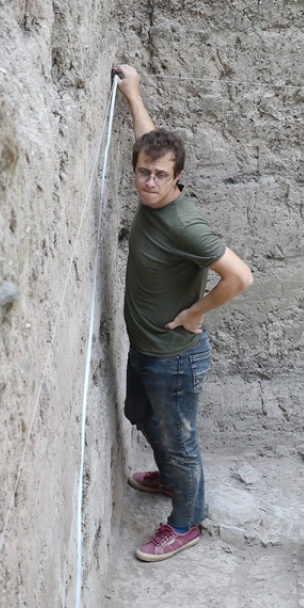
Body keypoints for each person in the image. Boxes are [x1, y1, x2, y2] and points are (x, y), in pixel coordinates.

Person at [112, 64, 254, 562]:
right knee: (138, 414)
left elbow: (241, 276)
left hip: (175, 356)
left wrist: (195, 312)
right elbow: (148, 137)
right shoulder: (152, 182)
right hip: (147, 346)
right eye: (143, 172)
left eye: (160, 175)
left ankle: (186, 521)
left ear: (179, 179)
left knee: (181, 441)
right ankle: (172, 479)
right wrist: (133, 93)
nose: (149, 182)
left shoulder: (184, 225)